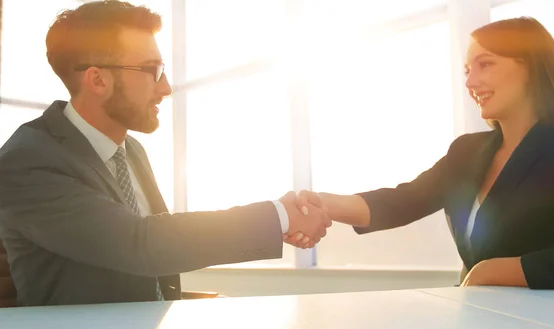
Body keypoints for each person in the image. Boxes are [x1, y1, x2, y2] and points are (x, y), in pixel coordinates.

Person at [0, 1, 328, 306]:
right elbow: (140, 245)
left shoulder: (131, 151)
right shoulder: (26, 161)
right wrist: (279, 216)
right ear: (97, 80)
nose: (166, 87)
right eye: (151, 70)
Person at [286, 17, 554, 290]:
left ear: (531, 66)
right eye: (467, 70)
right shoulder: (467, 152)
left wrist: (492, 271)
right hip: (482, 318)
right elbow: (402, 201)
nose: (470, 81)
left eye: (485, 64)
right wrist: (321, 203)